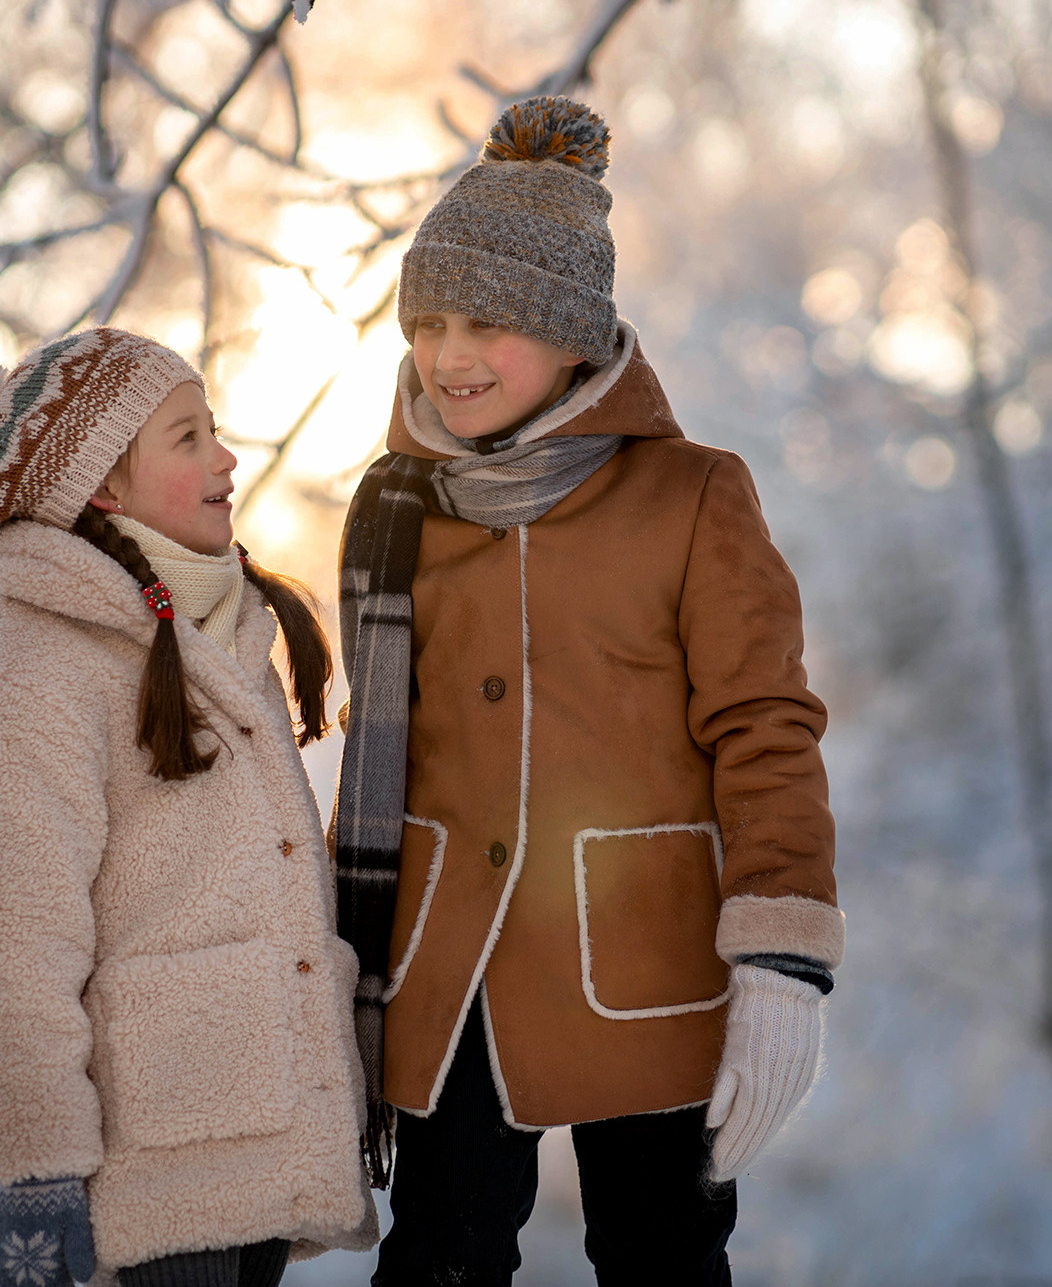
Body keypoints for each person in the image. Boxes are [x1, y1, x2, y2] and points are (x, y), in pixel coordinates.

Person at [332, 97, 842, 1285]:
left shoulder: (691, 496)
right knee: (438, 1261)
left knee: (660, 1258)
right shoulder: (394, 506)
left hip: (645, 972)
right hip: (444, 975)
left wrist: (780, 960)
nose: (449, 356)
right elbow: (376, 745)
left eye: (491, 323)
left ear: (572, 336)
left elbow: (762, 728)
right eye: (430, 321)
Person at [0, 328, 376, 1287]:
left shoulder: (213, 626)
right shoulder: (26, 680)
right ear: (102, 486)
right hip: (157, 1171)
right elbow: (10, 950)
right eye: (187, 438)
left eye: (214, 430)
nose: (226, 457)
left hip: (253, 1139)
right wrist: (35, 1175)